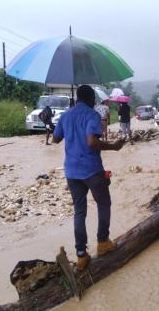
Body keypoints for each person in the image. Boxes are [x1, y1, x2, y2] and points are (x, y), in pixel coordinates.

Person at [53, 85, 125, 270]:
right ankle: (102, 243)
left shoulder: (65, 115)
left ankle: (81, 255)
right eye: (94, 99)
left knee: (79, 212)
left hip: (71, 171)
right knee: (103, 203)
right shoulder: (92, 115)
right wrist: (114, 147)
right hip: (91, 169)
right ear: (91, 99)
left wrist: (67, 126)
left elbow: (55, 139)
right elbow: (92, 142)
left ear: (77, 98)